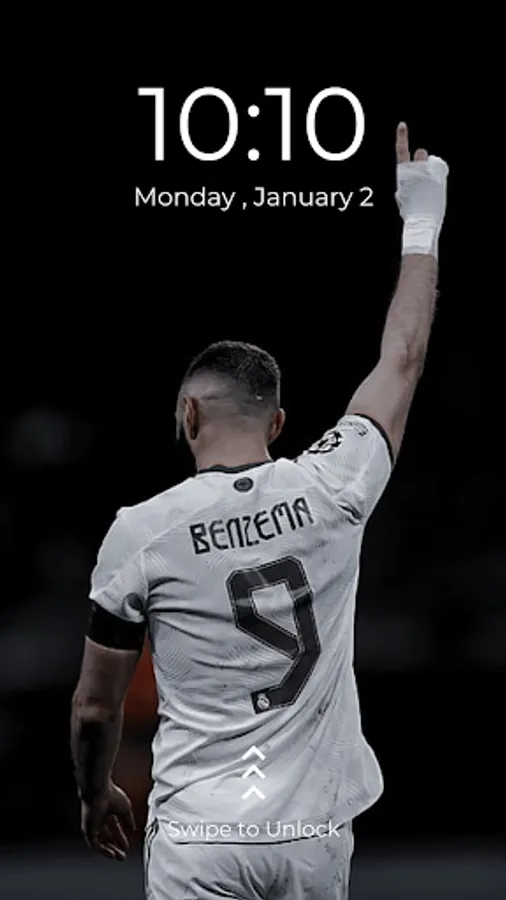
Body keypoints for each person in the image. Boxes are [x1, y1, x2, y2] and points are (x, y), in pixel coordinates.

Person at [70, 122, 448, 899]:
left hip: (200, 838)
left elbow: (94, 707)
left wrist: (94, 790)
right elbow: (403, 357)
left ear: (188, 414)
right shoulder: (335, 483)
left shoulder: (140, 530)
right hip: (311, 836)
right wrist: (422, 215)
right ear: (277, 423)